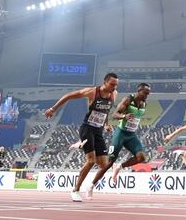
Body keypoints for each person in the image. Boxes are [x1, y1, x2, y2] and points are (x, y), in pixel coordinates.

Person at [45, 73, 118, 202]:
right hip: (87, 128)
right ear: (105, 82)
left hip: (98, 131)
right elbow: (68, 96)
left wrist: (106, 124)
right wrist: (53, 108)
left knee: (104, 164)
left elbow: (106, 110)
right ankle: (76, 190)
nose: (114, 87)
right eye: (112, 84)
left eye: (116, 84)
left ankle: (81, 144)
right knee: (90, 161)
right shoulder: (92, 92)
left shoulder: (114, 94)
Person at [84, 82, 151, 194]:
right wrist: (124, 116)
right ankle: (91, 185)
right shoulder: (128, 100)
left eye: (148, 94)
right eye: (145, 93)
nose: (147, 96)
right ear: (139, 91)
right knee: (109, 162)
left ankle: (120, 166)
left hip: (131, 135)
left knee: (141, 157)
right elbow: (114, 114)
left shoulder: (144, 104)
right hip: (121, 134)